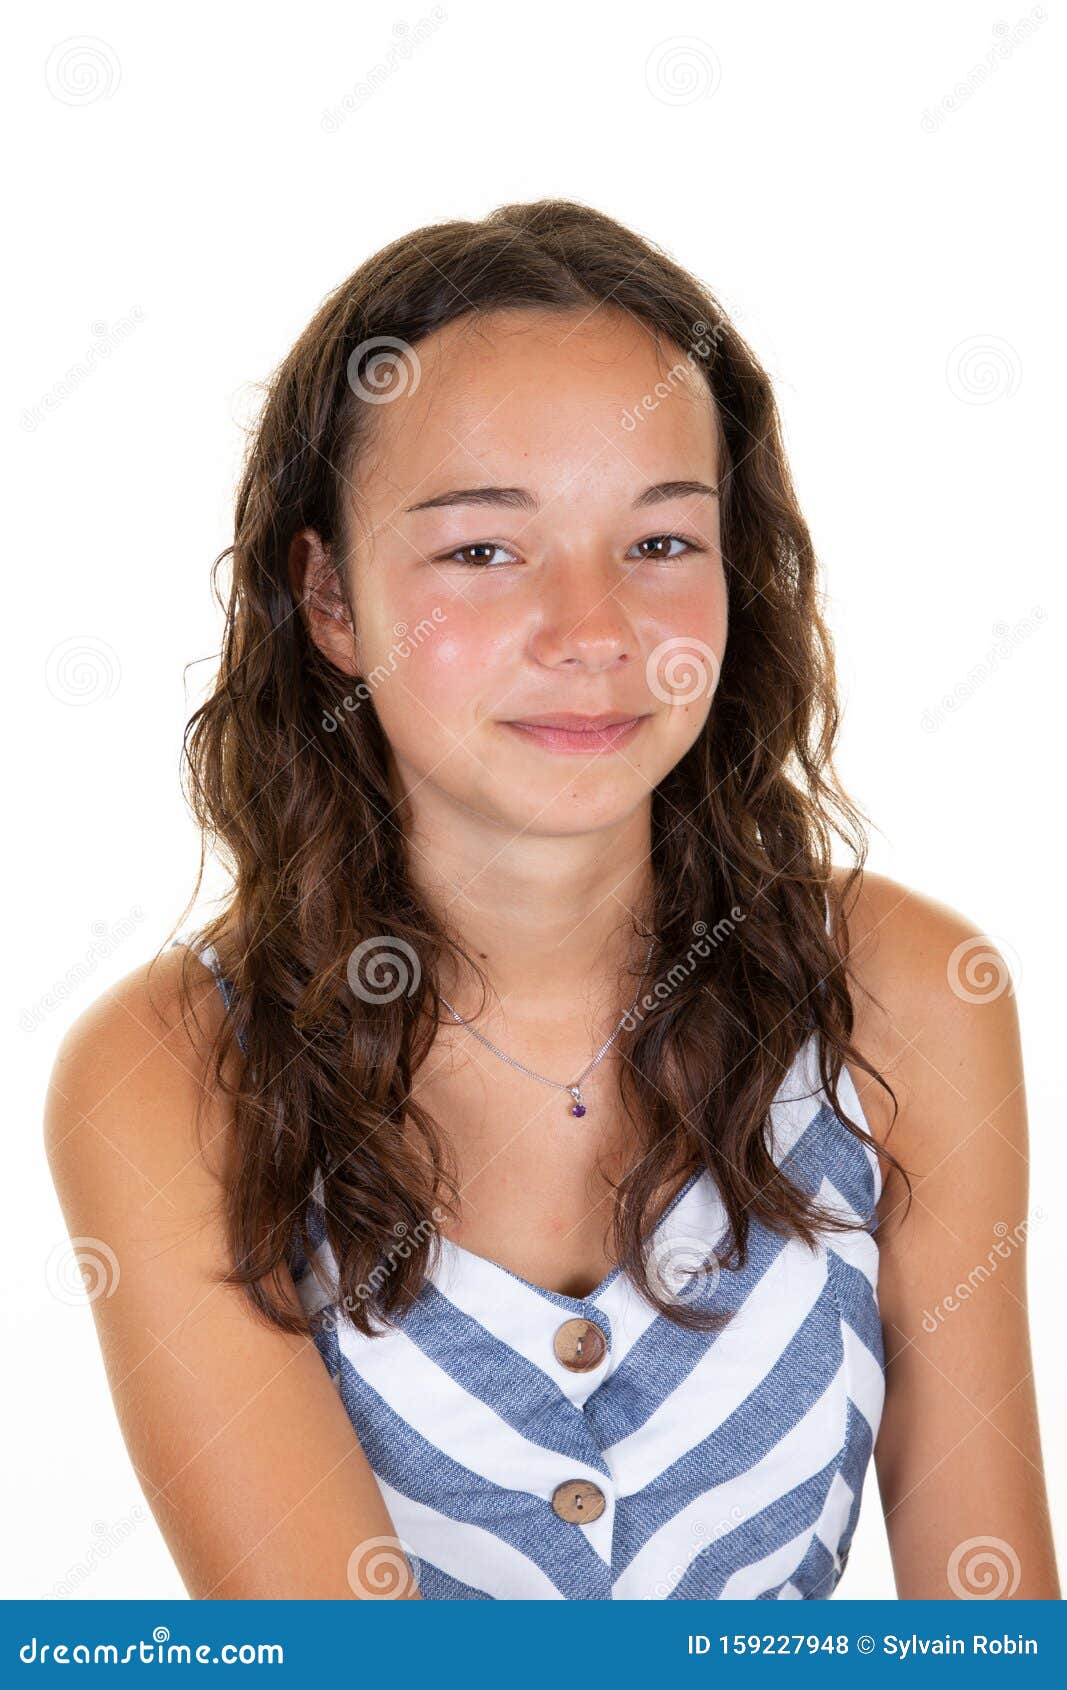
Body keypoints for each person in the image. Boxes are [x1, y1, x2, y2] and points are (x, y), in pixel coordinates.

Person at [44, 199, 1059, 1602]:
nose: (594, 634)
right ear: (329, 597)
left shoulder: (913, 994)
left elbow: (990, 1634)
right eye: (481, 548)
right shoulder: (169, 1076)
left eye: (659, 544)